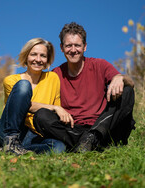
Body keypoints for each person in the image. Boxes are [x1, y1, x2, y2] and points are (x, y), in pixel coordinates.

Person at [33, 22, 136, 152]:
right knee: (41, 115)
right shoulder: (55, 74)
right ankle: (86, 144)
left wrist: (119, 77)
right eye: (68, 46)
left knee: (127, 91)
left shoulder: (99, 65)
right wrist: (55, 108)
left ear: (85, 47)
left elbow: (131, 83)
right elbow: (37, 104)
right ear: (61, 48)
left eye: (77, 45)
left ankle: (92, 138)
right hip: (73, 129)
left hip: (104, 127)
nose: (73, 50)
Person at [0, 38, 70, 155]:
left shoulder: (53, 78)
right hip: (9, 130)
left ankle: (22, 151)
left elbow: (52, 115)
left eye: (43, 56)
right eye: (33, 54)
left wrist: (56, 109)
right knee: (24, 85)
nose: (38, 60)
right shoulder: (11, 80)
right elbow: (20, 105)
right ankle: (9, 143)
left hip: (34, 135)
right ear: (26, 56)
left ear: (47, 59)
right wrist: (54, 107)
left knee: (58, 147)